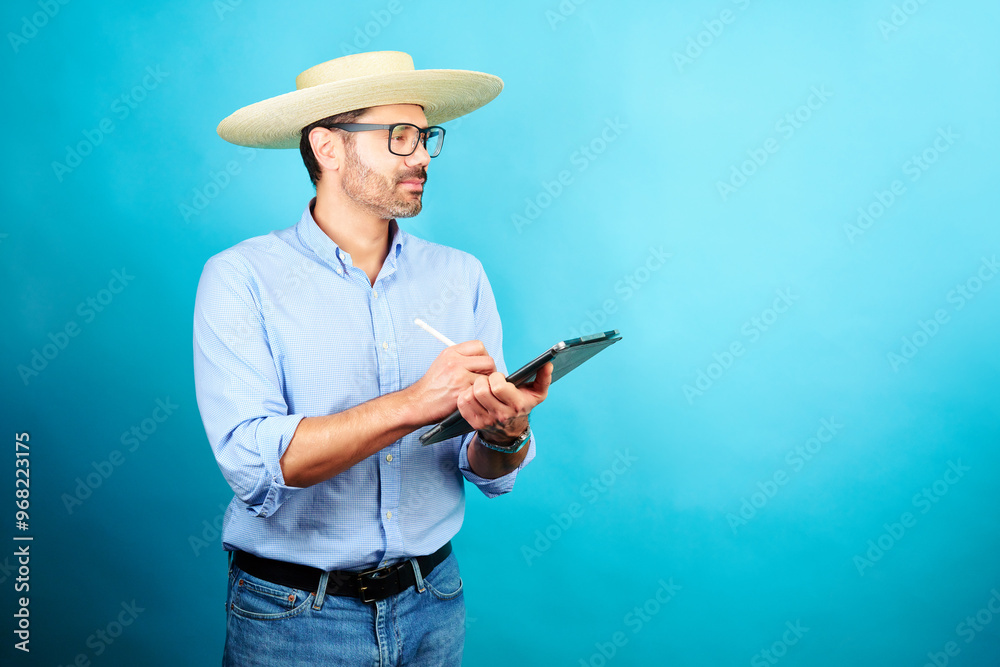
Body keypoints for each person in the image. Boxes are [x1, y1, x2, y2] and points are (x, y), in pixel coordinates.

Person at [193, 50, 553, 665]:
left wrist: (505, 432)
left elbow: (487, 469)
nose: (422, 156)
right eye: (400, 136)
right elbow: (252, 463)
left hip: (433, 602)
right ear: (328, 147)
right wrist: (415, 403)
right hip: (292, 618)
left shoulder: (460, 276)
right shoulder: (241, 278)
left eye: (426, 137)